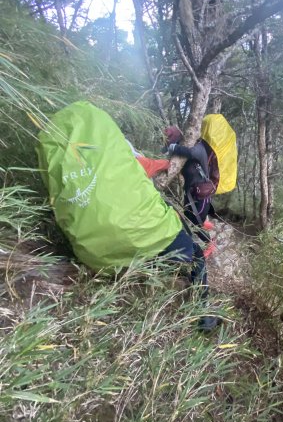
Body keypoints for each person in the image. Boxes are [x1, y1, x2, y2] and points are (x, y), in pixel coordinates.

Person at [37, 101, 219, 331]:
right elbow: (145, 167)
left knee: (180, 232)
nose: (168, 136)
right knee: (195, 256)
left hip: (93, 252)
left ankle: (151, 271)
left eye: (171, 134)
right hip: (145, 231)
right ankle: (204, 315)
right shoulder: (115, 142)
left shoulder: (53, 150)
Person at [163, 126, 216, 252]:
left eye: (172, 143)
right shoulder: (181, 151)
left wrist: (174, 148)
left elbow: (191, 153)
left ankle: (210, 244)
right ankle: (204, 223)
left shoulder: (199, 147)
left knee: (195, 222)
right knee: (188, 215)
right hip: (190, 193)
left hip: (201, 195)